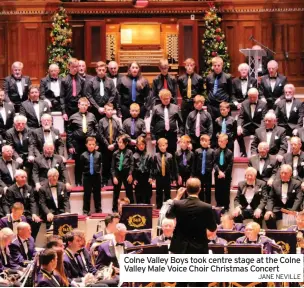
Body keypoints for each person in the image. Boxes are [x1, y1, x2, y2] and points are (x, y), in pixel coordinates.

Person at [166, 178, 217, 255]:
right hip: (198, 249)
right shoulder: (207, 207)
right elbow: (213, 228)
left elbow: (168, 215)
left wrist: (177, 197)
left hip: (179, 248)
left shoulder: (177, 204)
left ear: (186, 190)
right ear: (199, 189)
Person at [67, 97, 97, 186]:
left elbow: (97, 129)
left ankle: (90, 182)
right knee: (79, 164)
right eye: (82, 105)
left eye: (85, 105)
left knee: (91, 162)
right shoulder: (73, 117)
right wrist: (70, 145)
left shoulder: (92, 116)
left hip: (90, 143)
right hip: (77, 143)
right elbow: (69, 132)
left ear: (88, 106)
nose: (84, 107)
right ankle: (78, 182)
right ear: (78, 105)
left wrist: (96, 143)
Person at [4, 169, 41, 239]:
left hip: (27, 213)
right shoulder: (10, 189)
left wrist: (34, 214)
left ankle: (31, 240)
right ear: (16, 178)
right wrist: (19, 213)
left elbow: (32, 201)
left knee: (37, 221)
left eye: (25, 177)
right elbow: (11, 204)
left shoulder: (29, 188)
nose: (24, 179)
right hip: (17, 213)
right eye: (22, 177)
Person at [264, 164, 303, 229]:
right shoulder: (275, 183)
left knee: (292, 219)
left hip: (290, 208)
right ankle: (274, 235)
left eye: (285, 173)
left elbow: (298, 199)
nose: (283, 175)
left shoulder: (297, 183)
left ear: (290, 173)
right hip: (278, 209)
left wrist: (292, 211)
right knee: (268, 217)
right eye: (282, 173)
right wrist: (269, 210)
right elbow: (271, 198)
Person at [150, 89, 184, 155]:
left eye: (168, 98)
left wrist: (180, 135)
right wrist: (153, 138)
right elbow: (152, 125)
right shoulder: (155, 108)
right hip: (160, 135)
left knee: (172, 154)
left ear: (170, 98)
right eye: (164, 99)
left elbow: (181, 124)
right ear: (160, 98)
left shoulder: (176, 107)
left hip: (172, 135)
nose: (166, 100)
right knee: (159, 155)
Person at [236, 88, 267, 157]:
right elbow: (240, 117)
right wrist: (239, 126)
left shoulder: (263, 104)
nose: (252, 99)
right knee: (238, 133)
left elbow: (263, 118)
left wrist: (261, 129)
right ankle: (243, 152)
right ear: (248, 96)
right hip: (247, 127)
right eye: (250, 97)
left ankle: (257, 153)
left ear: (258, 95)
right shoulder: (244, 103)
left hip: (258, 126)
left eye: (254, 97)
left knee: (261, 134)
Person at [97, 102, 122, 187]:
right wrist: (107, 145)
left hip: (114, 147)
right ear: (105, 111)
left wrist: (114, 145)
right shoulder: (101, 121)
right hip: (105, 147)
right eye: (108, 110)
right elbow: (100, 135)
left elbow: (120, 134)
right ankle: (104, 181)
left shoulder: (117, 121)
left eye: (111, 110)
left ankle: (114, 180)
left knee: (114, 165)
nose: (110, 112)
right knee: (105, 165)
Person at [5, 115, 35, 180]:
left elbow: (31, 144)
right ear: (14, 123)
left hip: (27, 155)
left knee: (35, 162)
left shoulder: (29, 131)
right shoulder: (9, 132)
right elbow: (11, 147)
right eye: (18, 123)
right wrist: (17, 157)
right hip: (16, 155)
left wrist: (31, 155)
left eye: (23, 124)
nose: (21, 125)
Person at [152, 138, 178, 209]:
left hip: (167, 177)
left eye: (163, 145)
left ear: (166, 145)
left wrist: (173, 179)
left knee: (167, 193)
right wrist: (153, 177)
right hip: (159, 177)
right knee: (158, 193)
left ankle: (167, 208)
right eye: (160, 146)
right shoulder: (155, 156)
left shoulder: (170, 156)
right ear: (158, 146)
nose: (162, 147)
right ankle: (159, 207)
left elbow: (172, 168)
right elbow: (153, 167)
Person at [80, 137, 102, 215]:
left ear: (95, 145)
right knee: (87, 194)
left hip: (96, 177)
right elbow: (81, 167)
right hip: (87, 177)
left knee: (97, 194)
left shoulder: (99, 154)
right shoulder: (83, 155)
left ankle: (98, 209)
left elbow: (100, 165)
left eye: (93, 144)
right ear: (86, 145)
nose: (91, 146)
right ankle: (86, 211)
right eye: (90, 144)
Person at [111, 134, 134, 212]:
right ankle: (114, 209)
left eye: (121, 142)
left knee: (129, 191)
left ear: (126, 143)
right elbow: (112, 167)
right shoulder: (115, 153)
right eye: (119, 142)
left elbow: (131, 164)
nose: (120, 144)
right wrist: (114, 177)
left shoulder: (129, 152)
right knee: (116, 192)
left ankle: (131, 208)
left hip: (127, 173)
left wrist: (130, 174)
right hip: (118, 174)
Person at [205, 56, 232, 121]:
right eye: (215, 65)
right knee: (212, 124)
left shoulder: (227, 77)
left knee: (223, 124)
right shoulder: (209, 77)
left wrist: (227, 103)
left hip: (222, 105)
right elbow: (208, 90)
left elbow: (230, 92)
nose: (216, 67)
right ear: (212, 66)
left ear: (222, 65)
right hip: (211, 105)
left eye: (218, 65)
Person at [177, 58, 204, 123]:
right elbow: (181, 90)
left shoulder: (199, 78)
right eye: (188, 65)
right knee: (184, 120)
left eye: (191, 65)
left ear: (194, 66)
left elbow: (200, 91)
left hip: (195, 102)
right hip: (185, 102)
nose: (189, 67)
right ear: (185, 66)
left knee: (195, 121)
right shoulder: (181, 79)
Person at [192, 134, 214, 203]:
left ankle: (208, 204)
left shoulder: (212, 151)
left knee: (208, 190)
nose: (204, 142)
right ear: (200, 142)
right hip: (199, 174)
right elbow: (194, 163)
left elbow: (213, 162)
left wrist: (210, 169)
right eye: (203, 141)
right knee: (200, 189)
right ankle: (200, 203)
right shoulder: (197, 151)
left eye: (206, 141)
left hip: (208, 173)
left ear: (209, 142)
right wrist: (193, 174)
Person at [214, 133, 233, 211]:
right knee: (218, 191)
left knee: (226, 192)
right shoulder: (215, 152)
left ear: (226, 141)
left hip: (226, 176)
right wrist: (219, 171)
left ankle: (226, 207)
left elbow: (230, 165)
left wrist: (224, 173)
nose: (220, 143)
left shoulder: (229, 152)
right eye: (219, 141)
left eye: (222, 141)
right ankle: (218, 206)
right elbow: (214, 163)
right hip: (218, 175)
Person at [133, 136, 153, 204]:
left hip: (147, 178)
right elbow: (133, 168)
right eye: (139, 144)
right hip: (138, 178)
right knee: (139, 197)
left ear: (145, 145)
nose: (141, 146)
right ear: (137, 145)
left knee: (148, 197)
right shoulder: (134, 156)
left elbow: (151, 167)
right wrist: (134, 179)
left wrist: (151, 177)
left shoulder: (149, 155)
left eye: (143, 144)